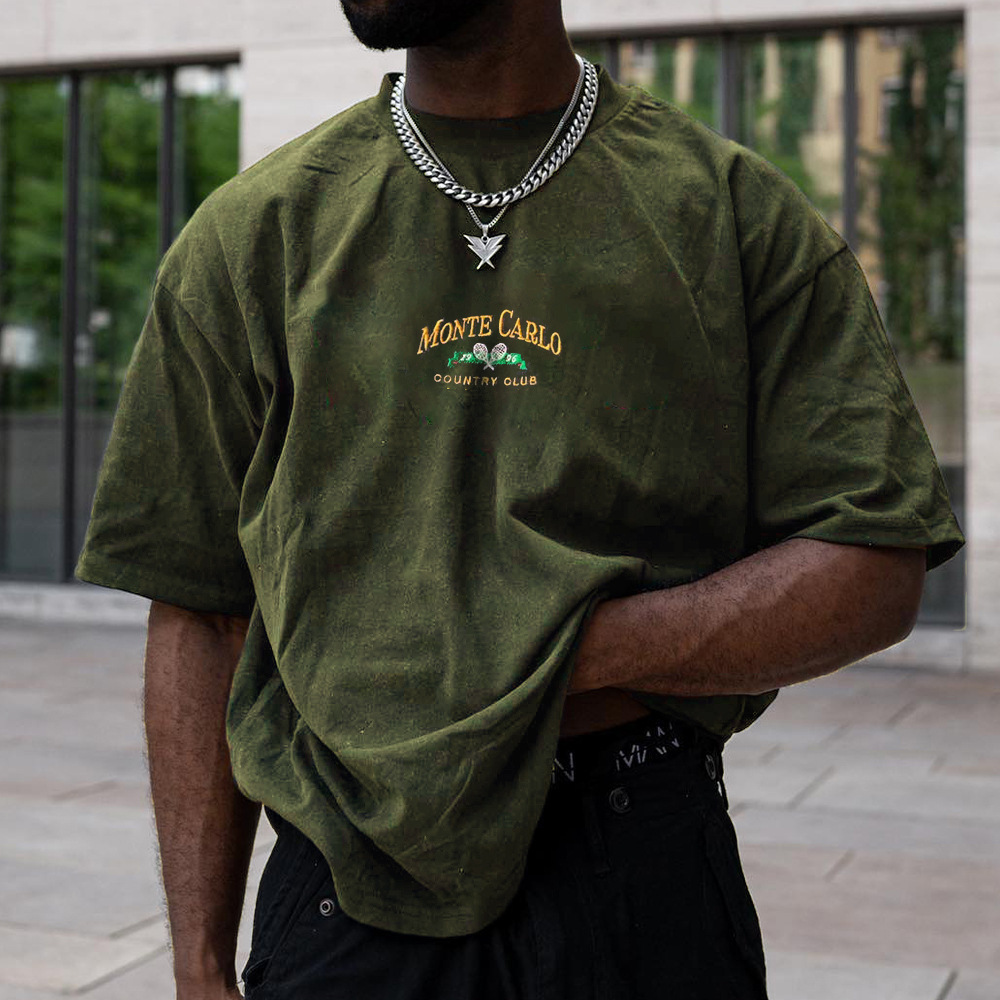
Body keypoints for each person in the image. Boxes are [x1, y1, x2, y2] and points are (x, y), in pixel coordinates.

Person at [76, 1, 964, 997]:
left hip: (637, 861)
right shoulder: (253, 234)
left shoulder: (727, 213)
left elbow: (874, 563)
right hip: (344, 882)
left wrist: (556, 652)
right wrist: (199, 968)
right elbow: (200, 608)